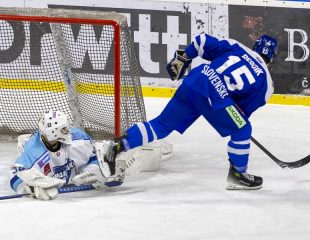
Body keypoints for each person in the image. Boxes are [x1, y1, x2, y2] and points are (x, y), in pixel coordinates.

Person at [105, 33, 278, 190]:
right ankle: (238, 174)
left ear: (255, 46)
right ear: (272, 58)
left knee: (161, 125)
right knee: (242, 129)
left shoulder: (237, 46)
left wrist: (183, 58)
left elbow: (201, 40)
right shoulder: (266, 85)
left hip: (196, 81)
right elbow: (241, 112)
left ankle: (119, 145)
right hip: (216, 99)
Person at [9, 110, 109, 200]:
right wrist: (32, 188)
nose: (68, 131)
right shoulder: (34, 152)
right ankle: (24, 141)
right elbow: (15, 175)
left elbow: (94, 155)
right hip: (34, 151)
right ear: (53, 133)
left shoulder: (79, 138)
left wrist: (92, 170)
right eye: (63, 129)